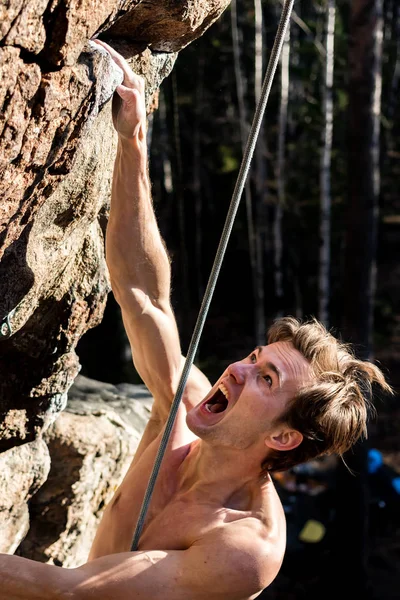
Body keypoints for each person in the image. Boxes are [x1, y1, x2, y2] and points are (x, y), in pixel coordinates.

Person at [0, 40, 392, 600]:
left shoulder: (244, 548)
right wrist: (131, 140)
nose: (237, 369)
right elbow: (144, 295)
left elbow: (71, 593)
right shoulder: (181, 410)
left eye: (266, 380)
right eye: (255, 358)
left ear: (283, 436)